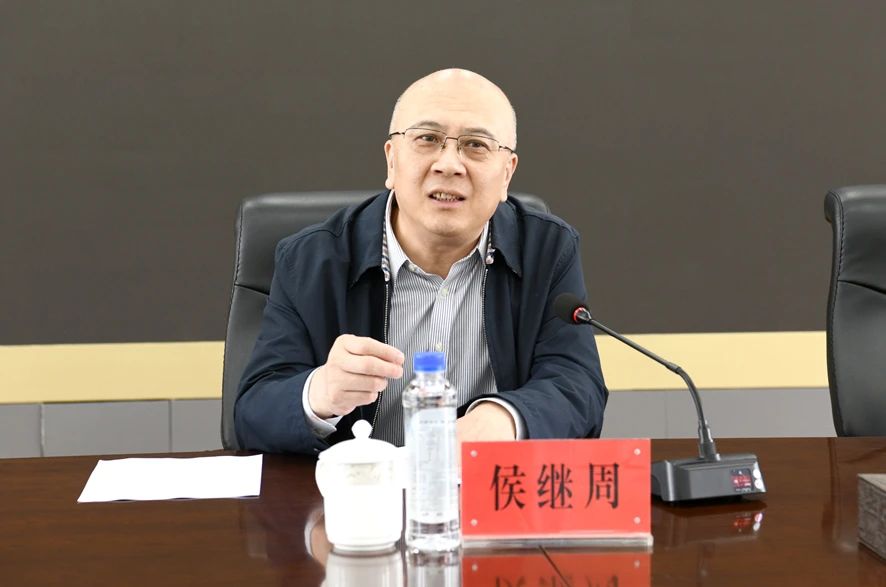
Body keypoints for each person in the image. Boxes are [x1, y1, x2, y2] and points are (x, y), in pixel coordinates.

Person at [234, 68, 607, 454]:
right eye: (427, 139)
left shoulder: (546, 250)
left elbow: (577, 385)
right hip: (356, 488)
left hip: (484, 485)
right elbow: (252, 413)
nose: (449, 164)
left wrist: (506, 417)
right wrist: (321, 393)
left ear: (506, 174)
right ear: (391, 161)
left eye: (476, 144)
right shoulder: (310, 260)